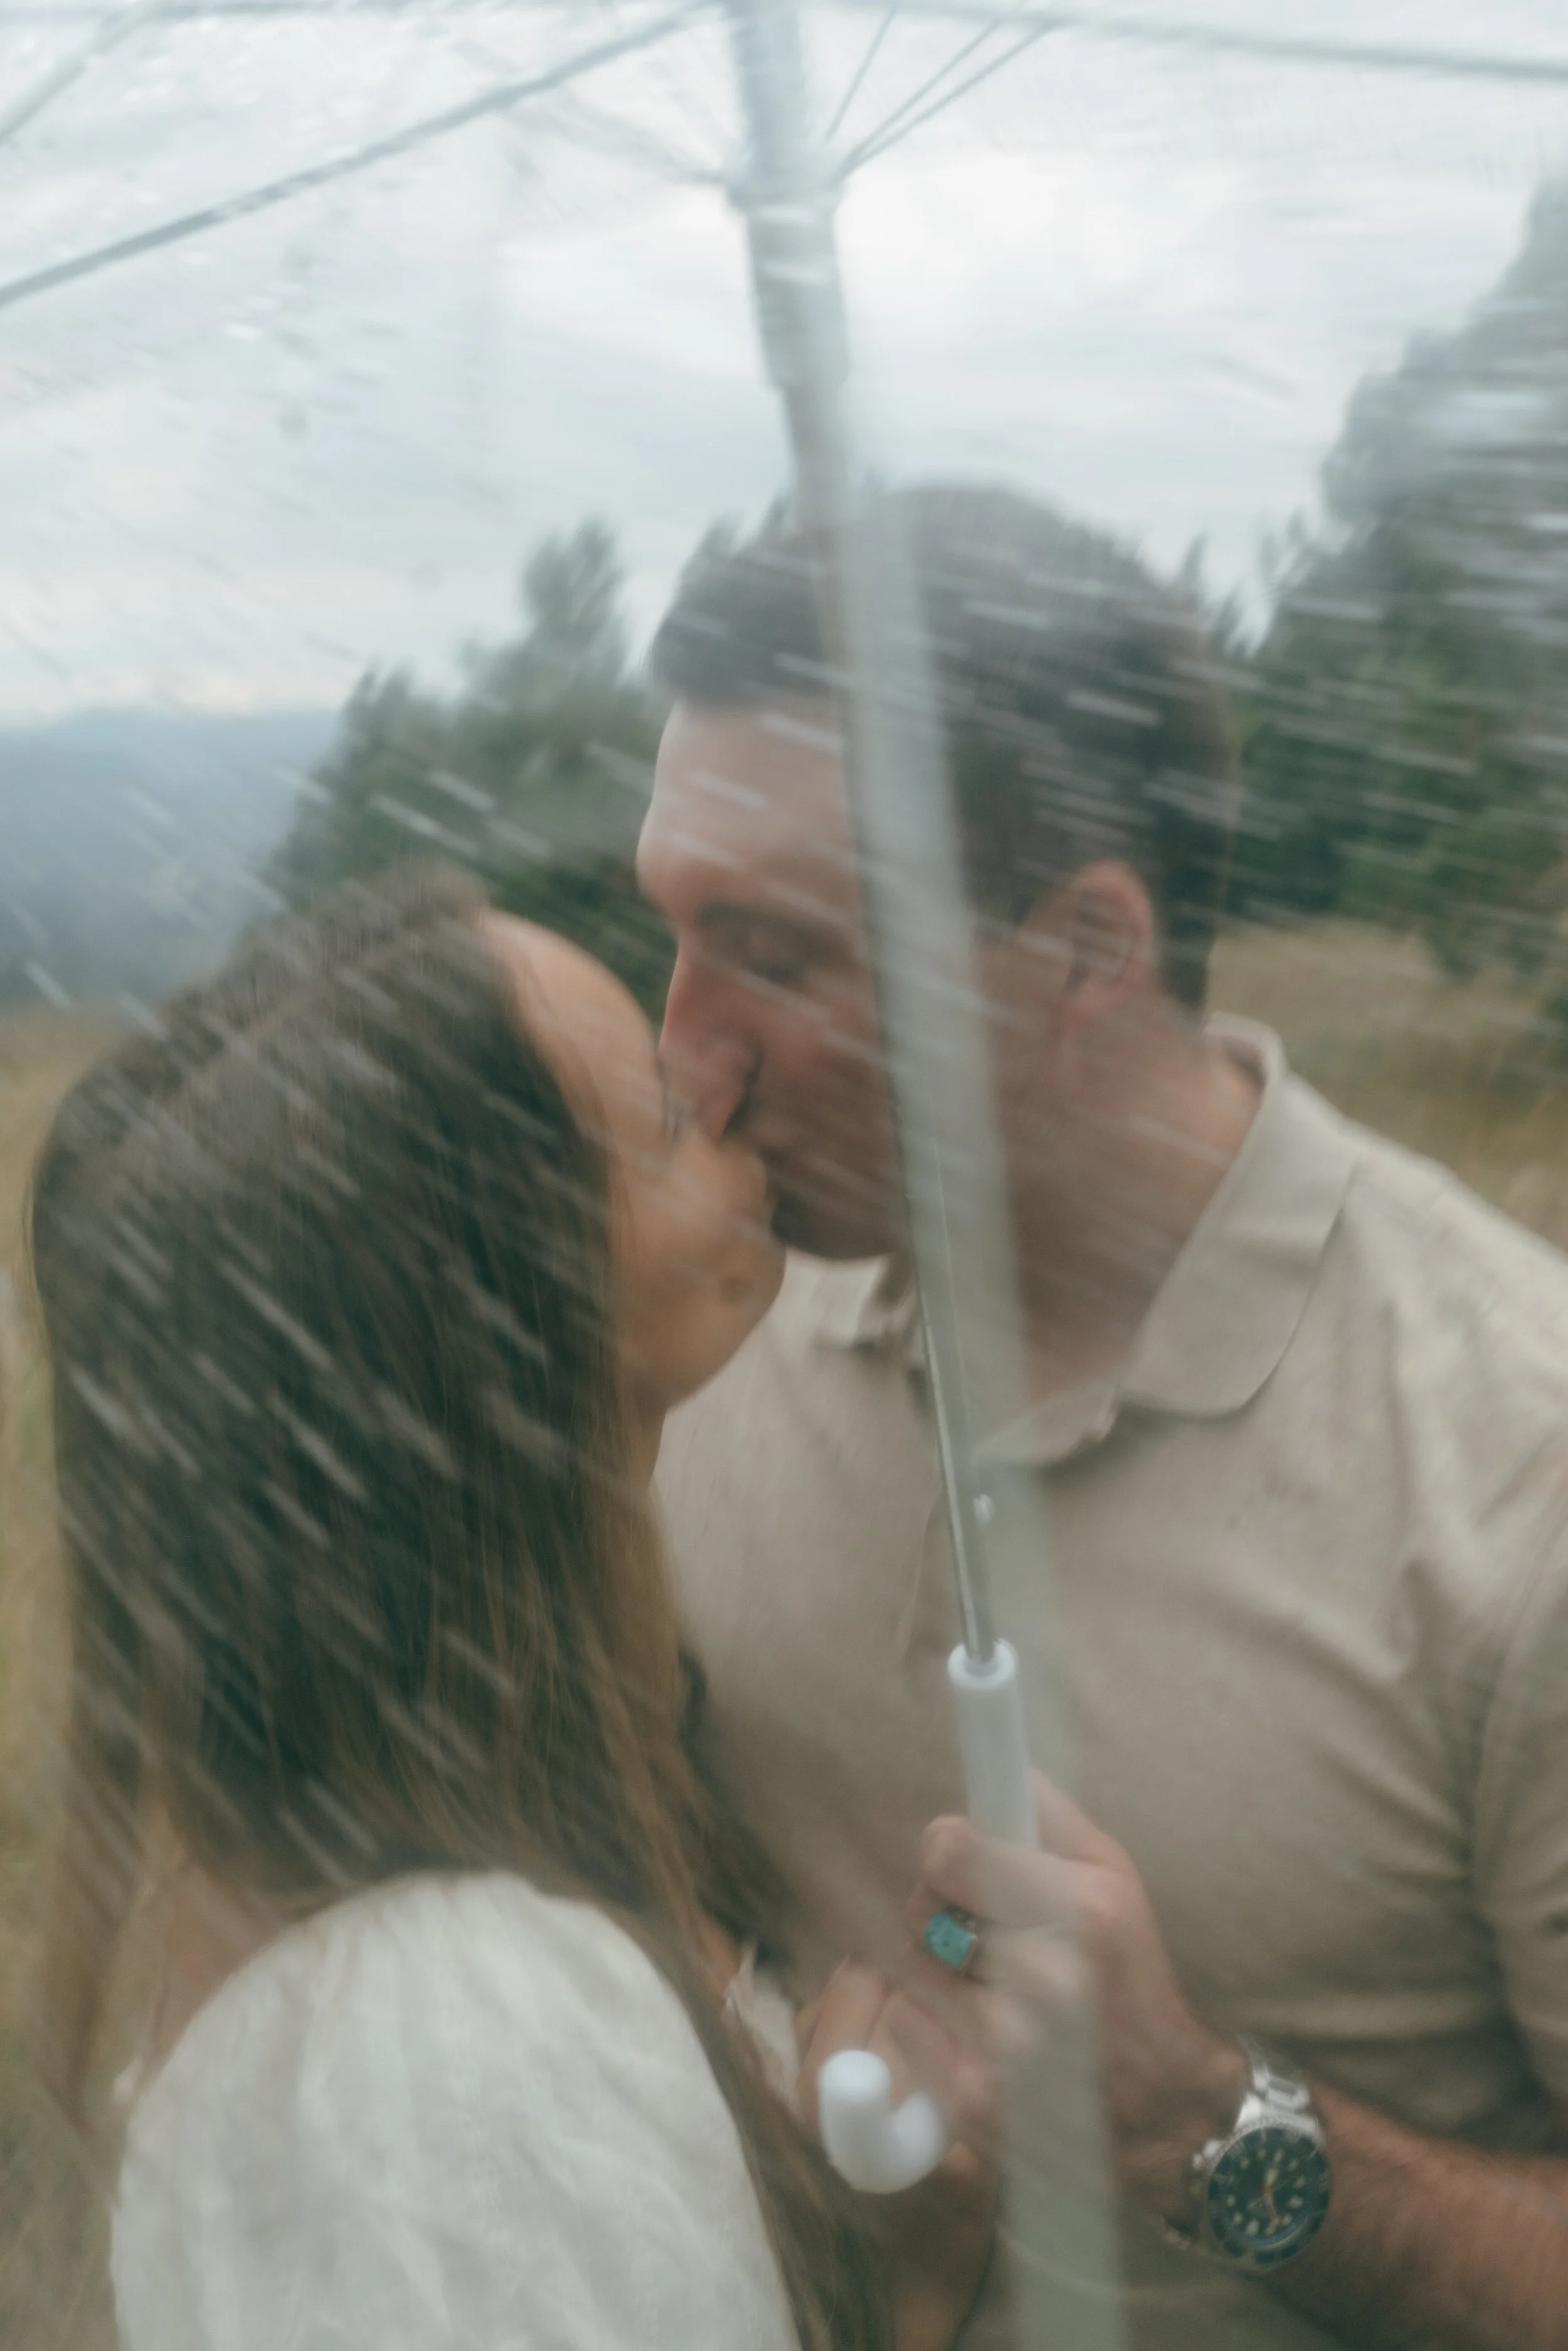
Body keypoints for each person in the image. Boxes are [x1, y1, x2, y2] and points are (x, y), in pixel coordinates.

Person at [639, 482, 1568, 2349]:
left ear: (1084, 949)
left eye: (779, 954)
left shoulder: (1514, 1472)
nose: (683, 1056)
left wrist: (1204, 2130)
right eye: (663, 929)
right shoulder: (701, 1325)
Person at [32, 864, 992, 2351]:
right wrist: (913, 2289)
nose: (717, 1088)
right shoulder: (458, 2061)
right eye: (660, 1120)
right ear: (508, 1330)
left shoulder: (416, 1880)